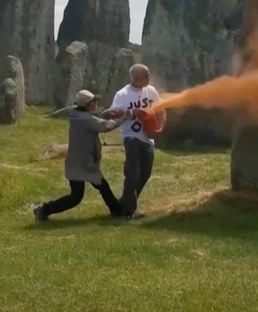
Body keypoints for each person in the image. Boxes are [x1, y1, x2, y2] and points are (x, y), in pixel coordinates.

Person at [33, 90, 128, 222]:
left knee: (99, 188)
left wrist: (107, 114)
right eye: (94, 102)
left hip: (82, 162)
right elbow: (104, 126)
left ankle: (116, 211)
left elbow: (95, 119)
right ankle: (44, 209)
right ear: (88, 105)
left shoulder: (78, 115)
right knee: (77, 197)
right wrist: (124, 118)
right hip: (82, 164)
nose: (96, 103)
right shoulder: (85, 119)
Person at [109, 64, 166, 219]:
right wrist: (131, 112)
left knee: (145, 173)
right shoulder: (122, 94)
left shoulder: (151, 91)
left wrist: (159, 128)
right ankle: (130, 210)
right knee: (132, 173)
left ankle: (124, 204)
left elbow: (161, 111)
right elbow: (111, 114)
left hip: (148, 139)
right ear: (135, 78)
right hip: (131, 136)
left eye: (148, 75)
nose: (149, 78)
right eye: (145, 75)